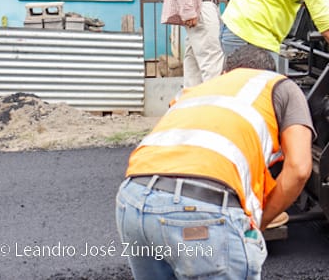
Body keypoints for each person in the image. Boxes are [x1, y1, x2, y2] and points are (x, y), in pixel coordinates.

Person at [116, 45, 313, 280]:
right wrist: (259, 223)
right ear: (271, 72)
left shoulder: (195, 91)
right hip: (200, 211)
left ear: (225, 72)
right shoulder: (279, 85)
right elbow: (299, 169)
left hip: (132, 202)